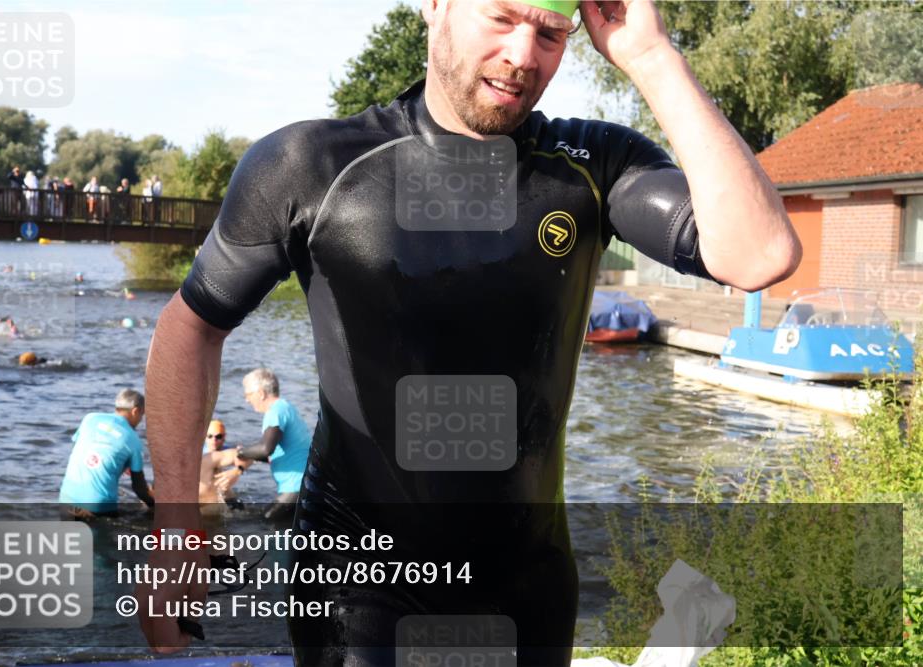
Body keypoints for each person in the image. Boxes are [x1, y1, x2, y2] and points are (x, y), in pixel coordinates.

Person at [140, 0, 801, 660]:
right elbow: (192, 325)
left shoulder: (591, 166)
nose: (522, 55)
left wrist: (653, 60)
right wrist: (176, 530)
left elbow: (759, 255)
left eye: (549, 32)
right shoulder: (310, 165)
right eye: (502, 19)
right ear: (435, 7)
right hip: (358, 584)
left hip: (528, 585)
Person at [213, 369, 310, 521]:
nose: (247, 400)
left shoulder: (275, 411)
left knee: (265, 521)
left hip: (295, 486)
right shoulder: (285, 407)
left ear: (261, 393)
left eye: (248, 395)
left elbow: (265, 449)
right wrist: (242, 464)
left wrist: (240, 453)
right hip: (303, 484)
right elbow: (274, 453)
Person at [59, 389, 154, 517]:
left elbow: (86, 449)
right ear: (135, 411)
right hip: (98, 508)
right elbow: (139, 488)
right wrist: (154, 505)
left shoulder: (90, 418)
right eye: (142, 415)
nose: (140, 420)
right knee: (141, 519)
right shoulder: (134, 440)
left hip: (66, 500)